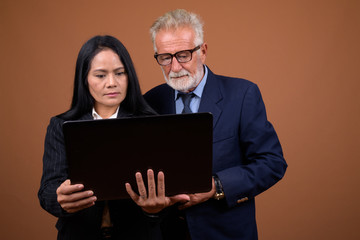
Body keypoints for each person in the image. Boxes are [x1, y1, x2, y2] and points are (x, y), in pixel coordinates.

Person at [143, 9, 288, 239]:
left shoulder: (242, 94)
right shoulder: (149, 102)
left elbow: (272, 163)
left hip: (226, 233)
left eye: (183, 55)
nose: (175, 67)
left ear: (203, 51)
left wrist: (215, 187)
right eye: (165, 58)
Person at [38, 35, 189, 240]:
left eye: (120, 73)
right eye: (100, 75)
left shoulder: (152, 123)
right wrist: (60, 198)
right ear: (85, 79)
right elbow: (47, 192)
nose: (112, 83)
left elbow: (167, 196)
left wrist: (154, 209)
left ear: (129, 76)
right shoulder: (61, 125)